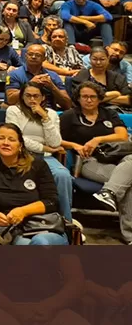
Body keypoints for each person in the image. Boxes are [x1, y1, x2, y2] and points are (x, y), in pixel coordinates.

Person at [0, 122, 68, 245]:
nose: (5, 143)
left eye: (11, 139)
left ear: (20, 145)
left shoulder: (37, 165)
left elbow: (52, 202)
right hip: (12, 230)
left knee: (40, 241)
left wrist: (23, 211)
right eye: (1, 138)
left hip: (44, 226)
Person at [61, 81, 132, 243]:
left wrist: (97, 139)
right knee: (129, 182)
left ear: (99, 99)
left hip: (119, 158)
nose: (89, 100)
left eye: (93, 97)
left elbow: (122, 136)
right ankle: (130, 235)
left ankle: (109, 192)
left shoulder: (109, 114)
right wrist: (74, 145)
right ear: (78, 98)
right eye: (84, 96)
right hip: (89, 161)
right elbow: (55, 140)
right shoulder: (69, 116)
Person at [5, 83, 72, 222]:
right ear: (22, 97)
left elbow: (55, 142)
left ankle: (66, 220)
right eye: (28, 96)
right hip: (20, 156)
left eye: (36, 96)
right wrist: (43, 148)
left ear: (43, 97)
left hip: (45, 158)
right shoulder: (14, 111)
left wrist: (45, 117)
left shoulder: (51, 114)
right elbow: (17, 139)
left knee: (63, 175)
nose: (32, 99)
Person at [6, 43, 72, 111]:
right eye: (30, 54)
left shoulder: (53, 76)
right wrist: (31, 83)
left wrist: (52, 87)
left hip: (48, 111)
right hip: (23, 111)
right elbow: (10, 100)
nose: (33, 57)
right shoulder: (14, 74)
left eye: (38, 55)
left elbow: (67, 105)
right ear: (25, 56)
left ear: (44, 59)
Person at [66, 46, 132, 107]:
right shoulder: (82, 75)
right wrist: (115, 94)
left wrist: (98, 99)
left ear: (108, 59)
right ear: (90, 59)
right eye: (94, 59)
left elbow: (128, 100)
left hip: (115, 112)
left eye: (102, 59)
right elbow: (79, 99)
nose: (98, 62)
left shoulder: (117, 77)